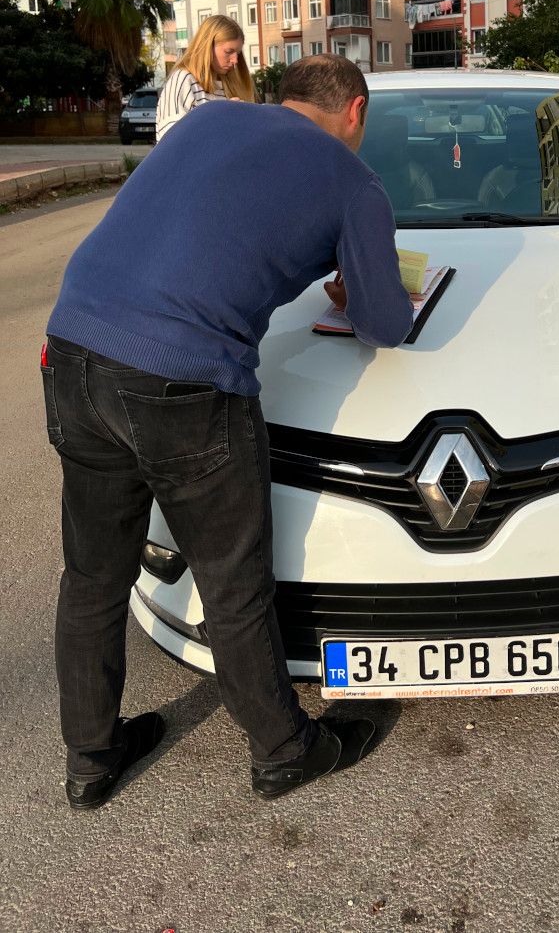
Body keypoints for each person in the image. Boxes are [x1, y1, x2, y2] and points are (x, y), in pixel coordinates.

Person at [43, 54, 415, 810]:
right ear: (356, 113)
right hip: (182, 381)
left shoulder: (210, 117)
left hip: (73, 349)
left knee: (91, 577)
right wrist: (354, 285)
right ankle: (284, 751)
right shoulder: (353, 180)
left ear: (284, 99)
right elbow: (386, 325)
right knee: (233, 582)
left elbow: (205, 227)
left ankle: (90, 760)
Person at [155, 14, 253, 141]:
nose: (235, 60)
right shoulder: (184, 80)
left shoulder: (230, 85)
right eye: (228, 52)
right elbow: (170, 140)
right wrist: (221, 117)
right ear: (207, 47)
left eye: (238, 54)